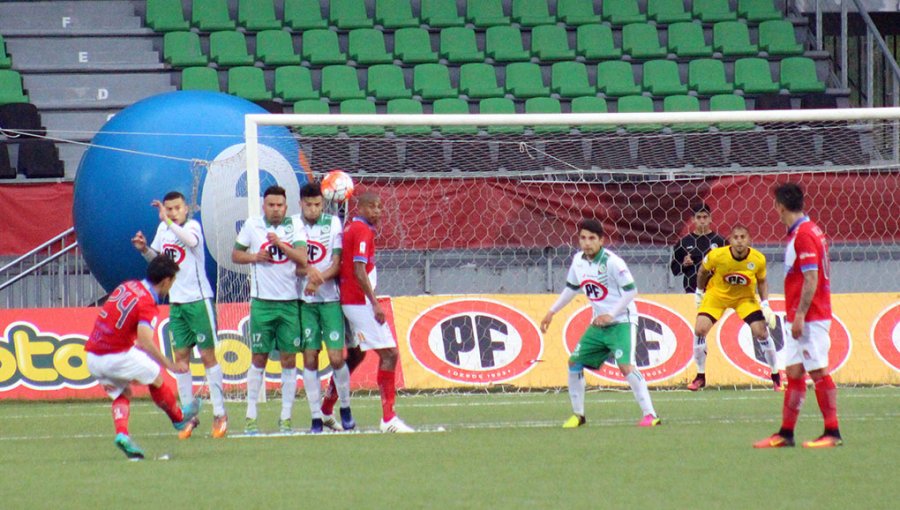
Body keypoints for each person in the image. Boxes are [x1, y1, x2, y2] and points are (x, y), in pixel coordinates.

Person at [541, 219, 661, 428]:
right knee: (574, 363)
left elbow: (631, 291)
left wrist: (611, 315)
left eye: (592, 239)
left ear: (601, 240)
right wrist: (552, 311)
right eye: (583, 238)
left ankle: (650, 415)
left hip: (622, 321)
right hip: (599, 325)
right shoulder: (578, 260)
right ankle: (578, 415)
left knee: (625, 366)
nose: (587, 243)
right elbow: (571, 288)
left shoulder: (613, 262)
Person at [131, 191, 227, 439]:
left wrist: (168, 221)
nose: (172, 212)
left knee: (208, 357)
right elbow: (161, 261)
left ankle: (220, 413)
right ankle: (188, 416)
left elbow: (191, 243)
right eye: (169, 209)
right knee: (181, 360)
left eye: (176, 208)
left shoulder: (193, 226)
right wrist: (144, 250)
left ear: (186, 209)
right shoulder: (164, 231)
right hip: (177, 304)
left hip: (199, 301)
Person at [85, 255, 200, 460]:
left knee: (124, 392)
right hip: (115, 356)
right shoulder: (147, 303)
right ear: (166, 281)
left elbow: (115, 318)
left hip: (93, 357)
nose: (170, 287)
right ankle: (179, 419)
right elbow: (146, 340)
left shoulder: (128, 286)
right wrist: (170, 365)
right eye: (172, 282)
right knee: (156, 376)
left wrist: (128, 339)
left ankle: (122, 435)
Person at [754, 183, 841, 448]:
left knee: (817, 371)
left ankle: (833, 432)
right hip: (800, 315)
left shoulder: (803, 234)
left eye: (775, 206)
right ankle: (786, 433)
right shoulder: (807, 231)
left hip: (811, 317)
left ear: (780, 206)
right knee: (793, 371)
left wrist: (801, 315)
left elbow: (811, 278)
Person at [232, 185, 308, 434]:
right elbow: (235, 255)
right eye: (271, 205)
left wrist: (281, 245)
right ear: (264, 206)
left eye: (280, 205)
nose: (275, 209)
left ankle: (285, 417)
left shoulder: (295, 226)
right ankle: (250, 416)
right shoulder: (253, 225)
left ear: (286, 207)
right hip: (262, 303)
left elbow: (303, 258)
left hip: (289, 303)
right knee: (258, 358)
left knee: (288, 359)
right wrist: (255, 257)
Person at [340, 191, 413, 433]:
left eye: (380, 207)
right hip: (359, 302)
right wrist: (375, 303)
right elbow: (359, 270)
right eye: (372, 207)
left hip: (351, 301)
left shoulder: (353, 229)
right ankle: (388, 418)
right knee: (390, 354)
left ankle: (327, 408)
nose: (377, 211)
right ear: (358, 208)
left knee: (356, 356)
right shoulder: (361, 231)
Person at [293, 183, 355, 433]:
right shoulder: (293, 225)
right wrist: (308, 276)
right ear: (301, 204)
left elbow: (338, 264)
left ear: (323, 203)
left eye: (317, 204)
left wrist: (317, 279)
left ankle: (346, 407)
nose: (313, 209)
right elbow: (294, 264)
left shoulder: (333, 224)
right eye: (308, 204)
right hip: (305, 302)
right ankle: (316, 417)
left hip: (329, 300)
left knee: (336, 357)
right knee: (309, 358)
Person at [689, 225, 780, 391]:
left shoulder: (758, 259)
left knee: (761, 332)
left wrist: (765, 303)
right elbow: (702, 272)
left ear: (749, 240)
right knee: (700, 329)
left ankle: (776, 377)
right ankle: (700, 376)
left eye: (743, 237)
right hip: (717, 296)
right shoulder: (717, 255)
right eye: (736, 237)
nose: (739, 241)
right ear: (730, 240)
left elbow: (762, 281)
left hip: (744, 298)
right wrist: (699, 292)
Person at [670, 203, 727, 293]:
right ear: (693, 219)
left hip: (716, 292)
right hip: (692, 291)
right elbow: (674, 270)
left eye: (705, 217)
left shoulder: (721, 241)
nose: (702, 221)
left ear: (710, 218)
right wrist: (684, 264)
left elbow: (730, 264)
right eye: (699, 217)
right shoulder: (684, 242)